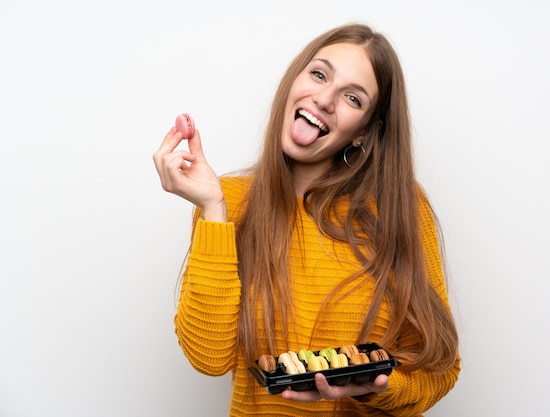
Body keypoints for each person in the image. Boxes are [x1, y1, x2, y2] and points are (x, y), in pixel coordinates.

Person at [153, 23, 460, 417]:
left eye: (353, 97)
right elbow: (208, 357)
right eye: (318, 74)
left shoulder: (401, 209)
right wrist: (213, 209)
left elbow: (440, 370)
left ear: (365, 132)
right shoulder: (228, 202)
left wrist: (376, 388)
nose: (325, 99)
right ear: (294, 80)